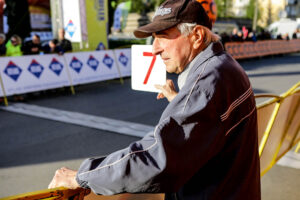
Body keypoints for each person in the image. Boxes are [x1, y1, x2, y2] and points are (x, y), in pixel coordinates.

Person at [49, 0, 261, 199]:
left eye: (162, 36)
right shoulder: (222, 66)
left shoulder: (205, 84)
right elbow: (211, 125)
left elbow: (157, 159)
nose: (155, 49)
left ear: (196, 36)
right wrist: (182, 102)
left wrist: (81, 176)